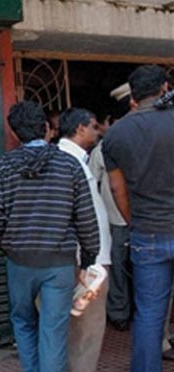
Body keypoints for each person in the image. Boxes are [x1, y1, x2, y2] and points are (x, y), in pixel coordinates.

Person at [0, 101, 100, 372]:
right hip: (58, 263)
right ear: (48, 128)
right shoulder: (68, 165)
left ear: (14, 133)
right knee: (53, 329)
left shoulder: (4, 166)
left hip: (19, 262)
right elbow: (85, 217)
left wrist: (7, 246)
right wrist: (89, 257)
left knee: (23, 322)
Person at [103, 65, 174, 372]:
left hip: (147, 233)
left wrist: (134, 222)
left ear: (133, 96)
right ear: (165, 87)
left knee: (149, 314)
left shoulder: (116, 134)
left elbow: (118, 190)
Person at [58, 108, 112, 372]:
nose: (97, 131)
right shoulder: (70, 161)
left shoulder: (74, 158)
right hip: (87, 261)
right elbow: (78, 216)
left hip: (82, 257)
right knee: (86, 331)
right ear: (79, 128)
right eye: (93, 126)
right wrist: (87, 260)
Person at [89, 83, 133, 332]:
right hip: (118, 221)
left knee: (121, 270)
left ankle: (122, 313)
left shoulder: (109, 146)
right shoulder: (103, 150)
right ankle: (120, 312)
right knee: (120, 269)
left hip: (126, 220)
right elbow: (94, 185)